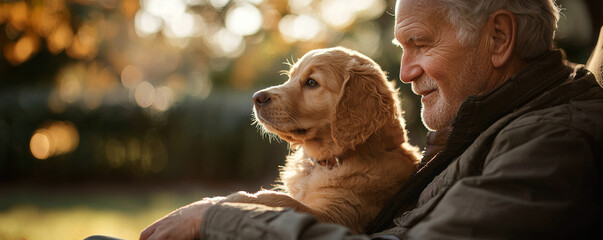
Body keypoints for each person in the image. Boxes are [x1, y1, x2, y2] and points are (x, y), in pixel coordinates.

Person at [139, 0, 603, 239]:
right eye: (403, 50)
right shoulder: (485, 129)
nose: (404, 73)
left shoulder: (552, 144)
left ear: (499, 38)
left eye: (420, 44)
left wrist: (222, 222)